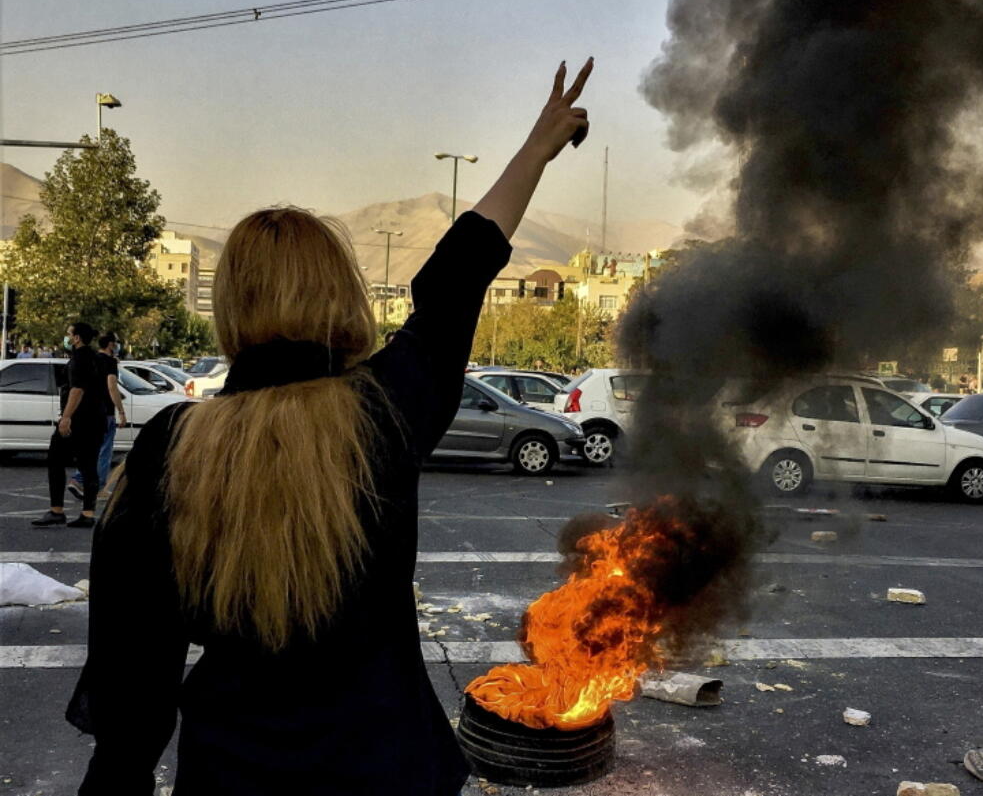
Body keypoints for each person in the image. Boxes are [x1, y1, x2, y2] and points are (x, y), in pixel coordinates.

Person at [67, 58, 594, 796]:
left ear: (231, 307)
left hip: (232, 777)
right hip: (390, 771)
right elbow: (456, 278)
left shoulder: (171, 449)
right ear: (341, 293)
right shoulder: (383, 412)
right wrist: (536, 149)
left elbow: (132, 692)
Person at [31, 322, 108, 528]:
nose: (66, 337)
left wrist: (66, 418)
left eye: (69, 334)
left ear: (76, 338)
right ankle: (87, 513)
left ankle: (57, 510)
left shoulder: (79, 359)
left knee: (55, 459)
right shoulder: (97, 358)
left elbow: (77, 390)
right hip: (96, 419)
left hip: (79, 421)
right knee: (89, 466)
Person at [68, 333, 127, 500]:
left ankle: (78, 479)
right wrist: (121, 411)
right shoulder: (110, 362)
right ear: (110, 344)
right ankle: (98, 488)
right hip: (105, 412)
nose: (116, 345)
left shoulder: (92, 358)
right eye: (115, 342)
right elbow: (111, 385)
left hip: (89, 410)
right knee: (104, 451)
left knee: (90, 449)